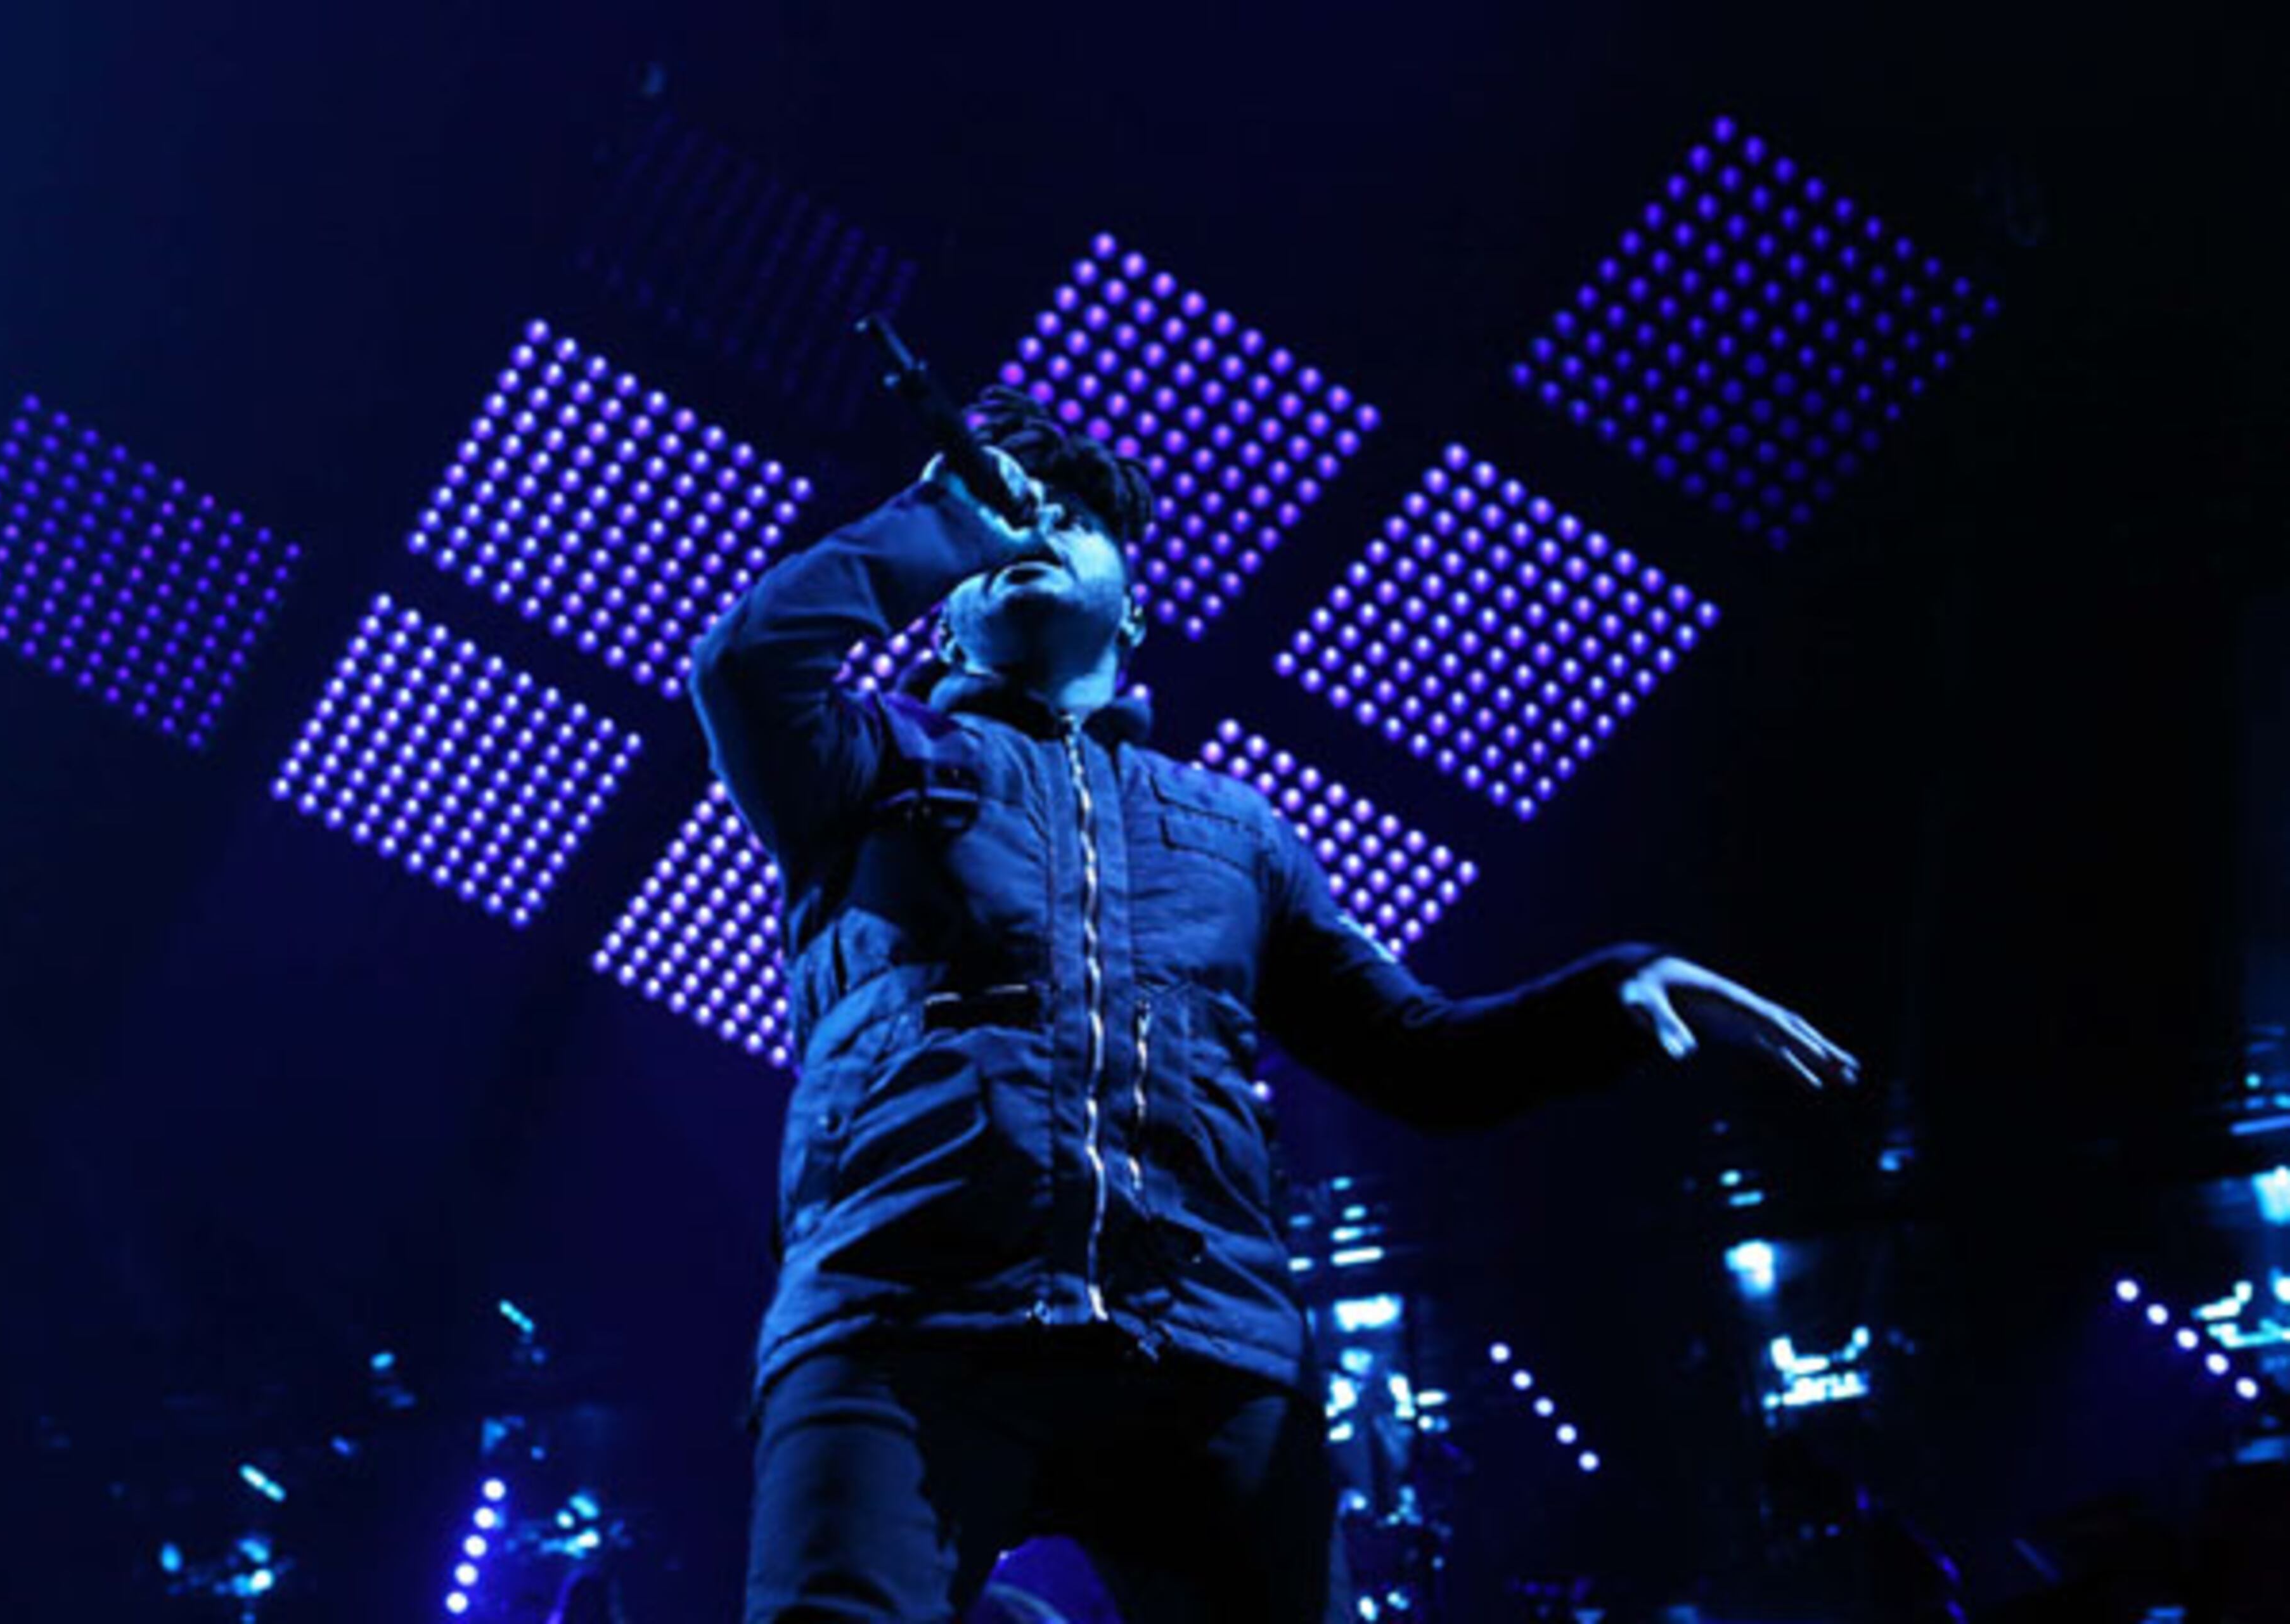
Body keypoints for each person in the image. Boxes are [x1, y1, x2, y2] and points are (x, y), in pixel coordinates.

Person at [690, 387, 1858, 1623]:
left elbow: (1423, 1059)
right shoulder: (868, 758)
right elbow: (749, 663)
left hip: (1208, 1351)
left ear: (1134, 603)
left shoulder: (1241, 834)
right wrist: (944, 519)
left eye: (1071, 517)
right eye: (1003, 518)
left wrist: (1616, 992)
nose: (1031, 526)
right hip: (901, 1315)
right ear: (953, 608)